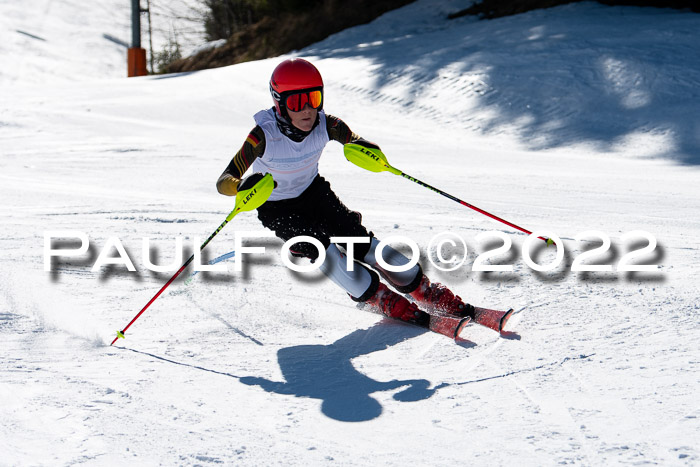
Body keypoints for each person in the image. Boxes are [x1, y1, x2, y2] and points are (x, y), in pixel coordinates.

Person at [216, 58, 477, 336]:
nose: (307, 109)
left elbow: (355, 141)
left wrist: (371, 154)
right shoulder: (262, 135)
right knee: (324, 251)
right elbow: (225, 180)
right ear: (280, 103)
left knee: (362, 242)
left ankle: (421, 286)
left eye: (313, 98)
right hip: (277, 207)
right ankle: (376, 296)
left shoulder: (327, 124)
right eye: (296, 102)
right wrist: (241, 187)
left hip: (315, 194)